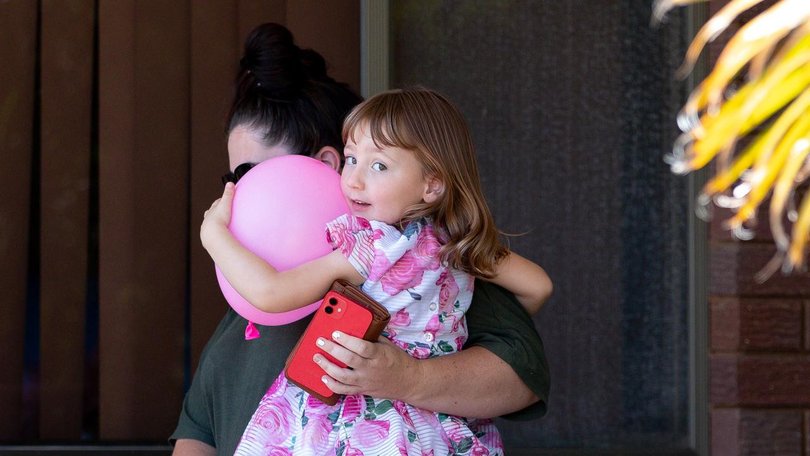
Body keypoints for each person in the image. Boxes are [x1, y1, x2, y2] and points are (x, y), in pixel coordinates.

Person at [171, 23, 551, 455]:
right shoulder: (454, 247)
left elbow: (523, 370)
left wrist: (212, 233)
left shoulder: (376, 249)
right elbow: (538, 287)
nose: (237, 194)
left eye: (249, 176)